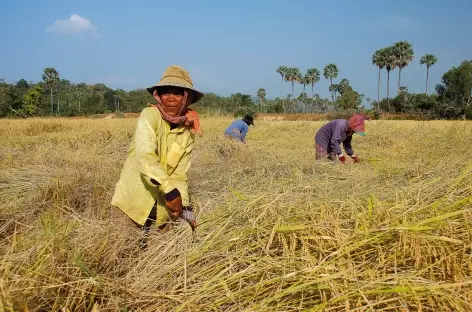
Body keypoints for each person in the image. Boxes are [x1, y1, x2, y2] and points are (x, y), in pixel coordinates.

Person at [110, 65, 203, 248]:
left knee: (159, 257)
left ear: (187, 98)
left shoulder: (188, 130)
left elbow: (179, 174)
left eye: (177, 93)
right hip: (133, 201)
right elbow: (146, 157)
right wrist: (169, 189)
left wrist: (184, 207)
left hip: (163, 207)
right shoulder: (149, 115)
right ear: (157, 95)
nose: (170, 97)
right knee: (122, 252)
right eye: (165, 92)